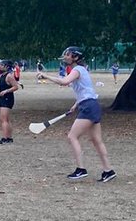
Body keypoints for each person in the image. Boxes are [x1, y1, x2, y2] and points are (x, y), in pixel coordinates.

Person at [38, 48, 115, 182]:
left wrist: (45, 76)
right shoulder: (81, 70)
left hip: (89, 107)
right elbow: (86, 91)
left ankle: (81, 169)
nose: (65, 57)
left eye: (68, 55)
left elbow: (64, 82)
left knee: (72, 136)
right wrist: (76, 105)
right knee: (96, 141)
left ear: (75, 57)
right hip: (91, 105)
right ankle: (108, 171)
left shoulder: (77, 70)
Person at [0, 59, 18, 144]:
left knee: (3, 119)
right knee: (6, 119)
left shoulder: (9, 76)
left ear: (6, 66)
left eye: (1, 65)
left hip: (7, 99)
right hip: (2, 98)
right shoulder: (1, 76)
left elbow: (16, 87)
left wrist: (6, 91)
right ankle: (9, 137)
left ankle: (5, 138)